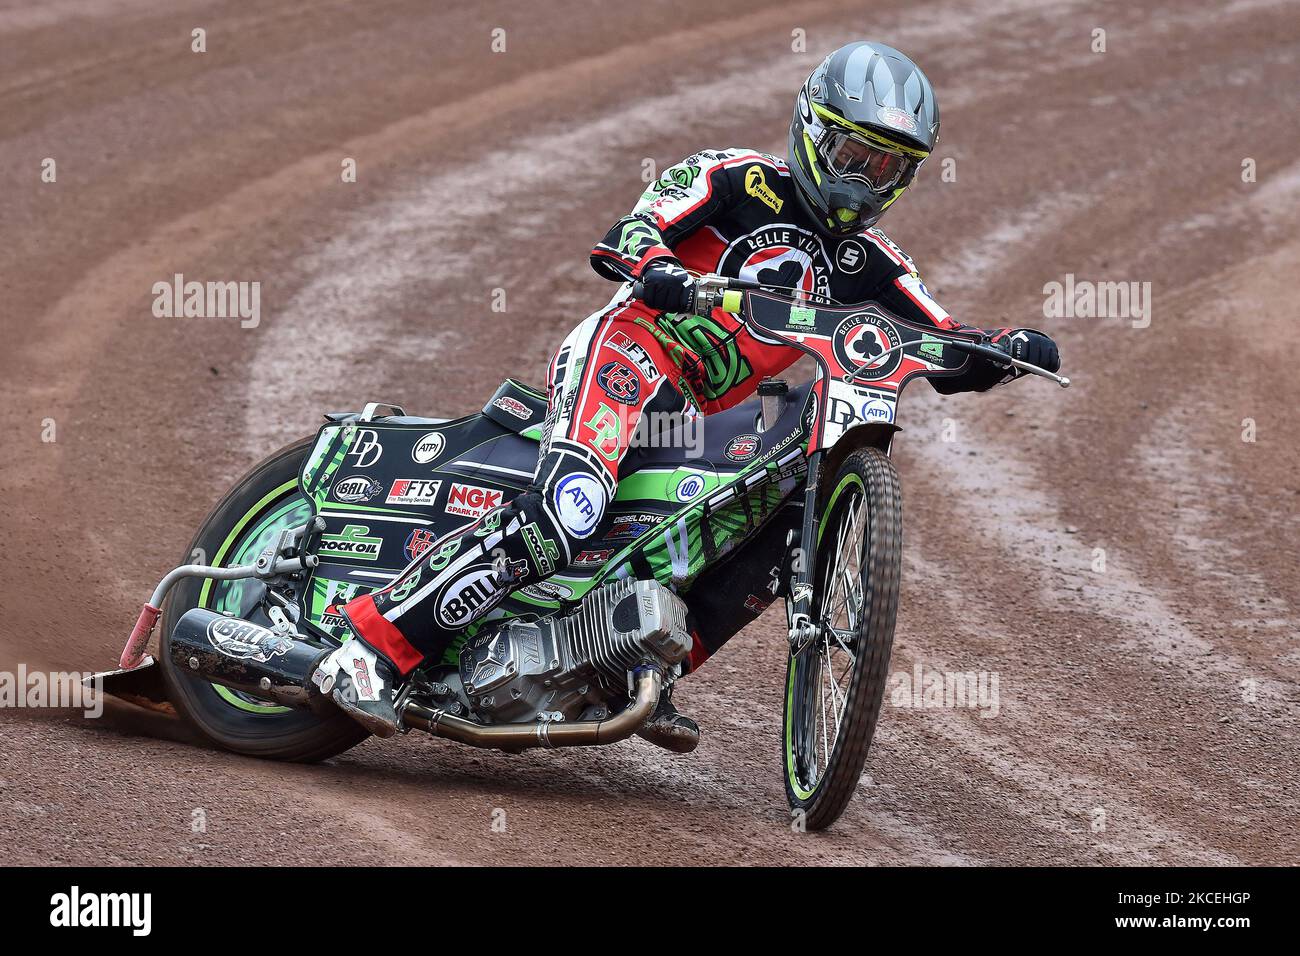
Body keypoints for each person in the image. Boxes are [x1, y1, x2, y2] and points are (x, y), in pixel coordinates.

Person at [312, 40, 1060, 747]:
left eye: (888, 167)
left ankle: (640, 664)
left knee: (778, 509)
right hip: (631, 352)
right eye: (852, 155)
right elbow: (632, 229)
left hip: (695, 414)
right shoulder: (738, 177)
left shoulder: (875, 261)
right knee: (569, 504)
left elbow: (945, 337)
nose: (863, 180)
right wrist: (657, 266)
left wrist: (1005, 348)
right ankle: (370, 650)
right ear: (811, 129)